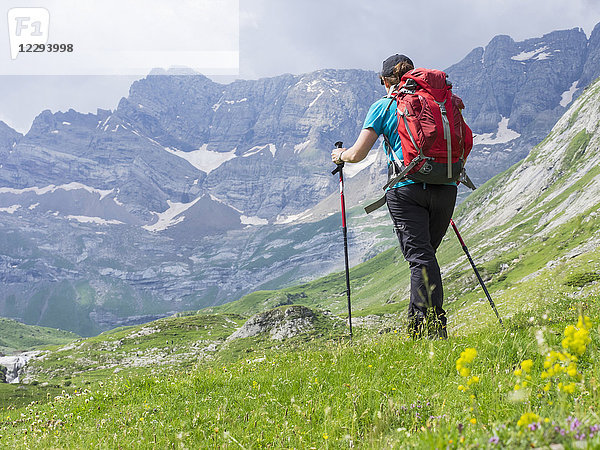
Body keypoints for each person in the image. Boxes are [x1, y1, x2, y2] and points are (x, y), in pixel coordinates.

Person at [331, 54, 457, 339]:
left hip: (407, 189)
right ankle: (422, 327)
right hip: (446, 185)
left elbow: (357, 154)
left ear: (385, 80)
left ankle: (429, 330)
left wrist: (340, 155)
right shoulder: (438, 101)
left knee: (420, 259)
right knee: (425, 258)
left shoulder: (385, 105)